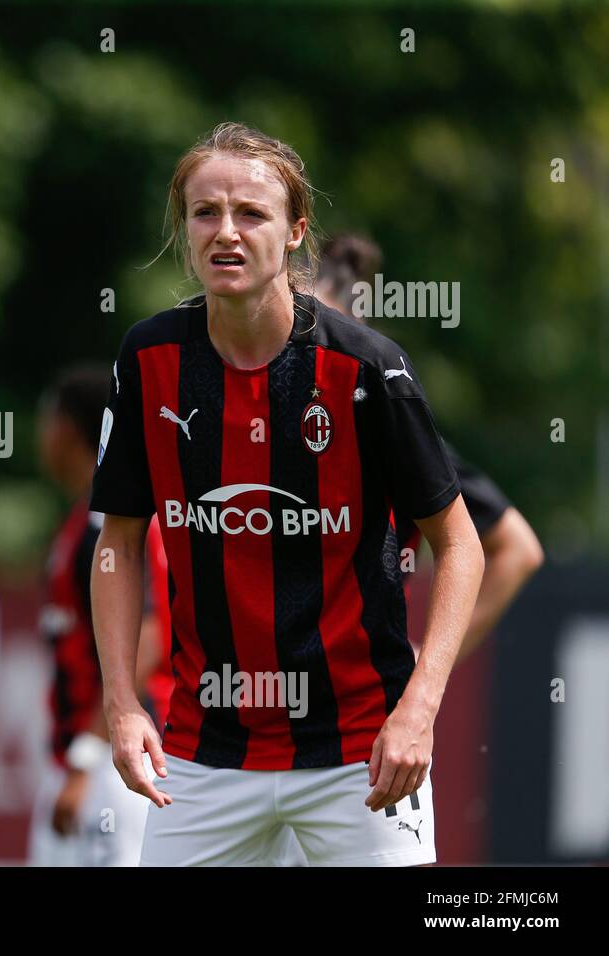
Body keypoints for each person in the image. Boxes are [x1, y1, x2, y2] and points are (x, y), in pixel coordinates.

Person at [91, 123, 484, 866]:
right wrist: (121, 702)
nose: (226, 232)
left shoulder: (368, 368)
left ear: (296, 231)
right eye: (206, 212)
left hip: (360, 752)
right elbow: (117, 543)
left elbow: (462, 545)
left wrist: (418, 709)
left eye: (252, 213)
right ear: (184, 229)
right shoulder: (147, 358)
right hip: (203, 758)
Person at [314, 234, 544, 662]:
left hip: (362, 700)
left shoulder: (397, 431)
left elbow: (518, 549)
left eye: (330, 328)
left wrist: (431, 661)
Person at [30, 367, 163, 866]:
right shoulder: (85, 518)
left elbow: (148, 634)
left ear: (65, 428)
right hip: (87, 760)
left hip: (113, 764)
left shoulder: (107, 525)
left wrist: (87, 756)